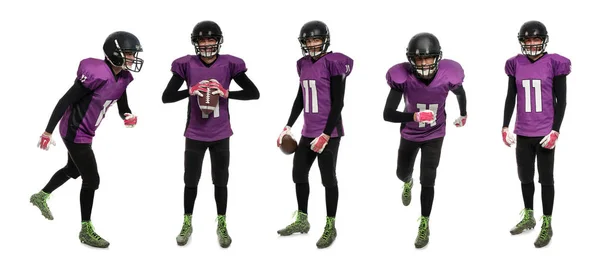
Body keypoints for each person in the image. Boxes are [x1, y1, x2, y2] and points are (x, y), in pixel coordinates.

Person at [30, 31, 144, 248]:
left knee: (73, 170)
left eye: (132, 54)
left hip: (86, 132)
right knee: (92, 180)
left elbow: (123, 106)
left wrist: (127, 116)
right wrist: (47, 131)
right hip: (74, 132)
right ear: (115, 53)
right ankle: (86, 229)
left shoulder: (123, 78)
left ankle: (41, 196)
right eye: (128, 53)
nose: (132, 58)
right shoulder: (96, 73)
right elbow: (65, 101)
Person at [162, 20, 260, 248]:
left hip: (220, 132)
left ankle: (222, 223)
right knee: (190, 180)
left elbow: (253, 93)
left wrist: (226, 93)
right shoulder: (186, 64)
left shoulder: (229, 64)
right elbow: (166, 97)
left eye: (211, 39)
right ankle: (187, 222)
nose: (206, 43)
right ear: (195, 42)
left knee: (221, 181)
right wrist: (190, 90)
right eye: (202, 40)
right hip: (195, 132)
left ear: (219, 41)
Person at [383, 32, 467, 249]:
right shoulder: (403, 79)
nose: (424, 63)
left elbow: (460, 93)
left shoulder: (448, 75)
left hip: (435, 134)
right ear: (411, 60)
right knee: (401, 173)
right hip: (410, 133)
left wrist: (464, 112)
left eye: (428, 58)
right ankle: (407, 182)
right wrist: (413, 116)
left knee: (428, 179)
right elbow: (387, 114)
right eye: (419, 59)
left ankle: (424, 223)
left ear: (437, 58)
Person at [276, 20, 353, 249]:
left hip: (329, 131)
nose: (312, 44)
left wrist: (326, 135)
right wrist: (288, 125)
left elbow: (338, 103)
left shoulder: (334, 63)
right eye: (308, 41)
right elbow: (301, 96)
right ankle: (302, 219)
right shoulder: (303, 64)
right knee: (298, 174)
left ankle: (331, 225)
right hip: (308, 131)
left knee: (328, 178)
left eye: (316, 39)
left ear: (325, 40)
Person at [502, 20, 570, 248]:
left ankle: (547, 224)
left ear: (544, 40)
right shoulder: (515, 64)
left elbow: (562, 100)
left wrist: (555, 130)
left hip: (544, 133)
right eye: (528, 39)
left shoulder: (555, 63)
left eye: (536, 39)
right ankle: (529, 216)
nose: (532, 43)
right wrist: (504, 126)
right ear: (522, 42)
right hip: (523, 131)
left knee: (546, 179)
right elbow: (511, 96)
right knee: (525, 177)